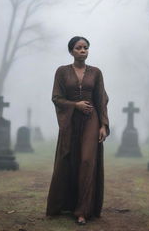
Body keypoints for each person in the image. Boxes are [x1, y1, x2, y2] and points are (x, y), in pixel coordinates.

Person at [46, 36, 109, 225]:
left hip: (91, 119)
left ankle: (83, 211)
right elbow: (56, 98)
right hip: (70, 121)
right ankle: (63, 205)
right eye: (78, 47)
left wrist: (103, 125)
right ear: (71, 51)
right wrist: (75, 105)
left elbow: (102, 100)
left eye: (86, 47)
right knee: (69, 160)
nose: (83, 50)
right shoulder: (62, 72)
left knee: (87, 161)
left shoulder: (96, 73)